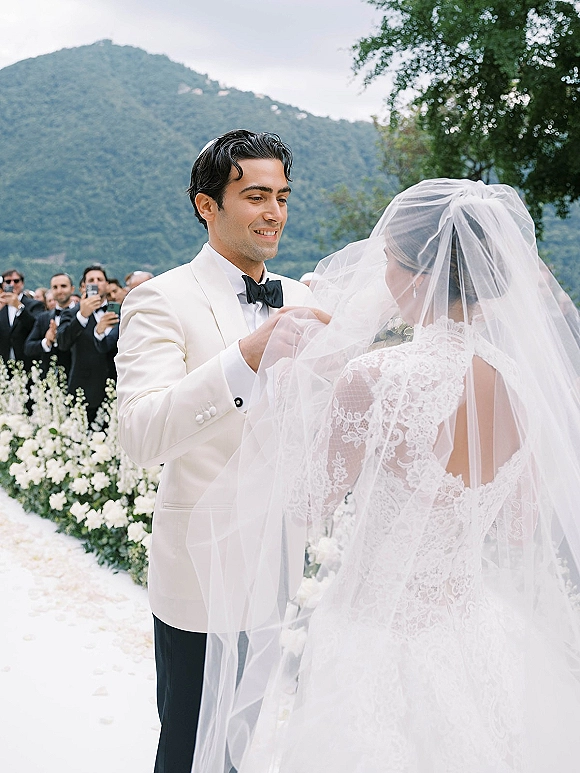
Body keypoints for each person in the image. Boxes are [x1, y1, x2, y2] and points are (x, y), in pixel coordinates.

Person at [188, 179, 580, 772]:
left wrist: (295, 386)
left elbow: (305, 505)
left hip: (372, 635)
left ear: (421, 278)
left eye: (393, 263)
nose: (384, 277)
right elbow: (522, 526)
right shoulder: (523, 386)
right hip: (475, 631)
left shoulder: (376, 379)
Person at [116, 129, 317, 773]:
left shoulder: (306, 301)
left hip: (286, 571)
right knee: (189, 749)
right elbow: (138, 435)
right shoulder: (161, 299)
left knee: (262, 747)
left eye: (282, 197)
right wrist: (242, 362)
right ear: (206, 204)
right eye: (256, 196)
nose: (274, 214)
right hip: (200, 581)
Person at [57, 265, 117, 424]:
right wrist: (82, 316)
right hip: (83, 389)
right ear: (83, 286)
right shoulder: (71, 313)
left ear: (107, 284)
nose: (96, 283)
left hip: (116, 387)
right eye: (91, 280)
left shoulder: (120, 312)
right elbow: (62, 343)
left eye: (100, 279)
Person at [24, 272, 77, 377]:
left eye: (63, 286)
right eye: (55, 287)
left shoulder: (81, 315)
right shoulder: (43, 318)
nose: (59, 291)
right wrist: (46, 342)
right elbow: (28, 348)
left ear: (72, 289)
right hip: (49, 381)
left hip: (76, 377)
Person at [0, 270, 44, 371]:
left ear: (22, 283)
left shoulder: (34, 305)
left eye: (16, 281)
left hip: (27, 363)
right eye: (8, 281)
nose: (12, 284)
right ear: (3, 284)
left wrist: (18, 307)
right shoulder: (1, 306)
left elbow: (36, 326)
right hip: (4, 365)